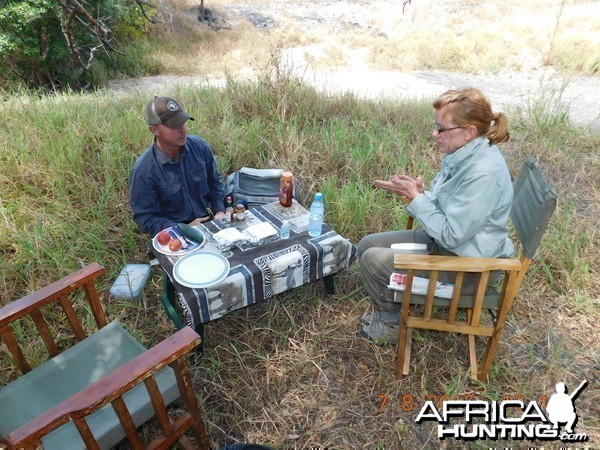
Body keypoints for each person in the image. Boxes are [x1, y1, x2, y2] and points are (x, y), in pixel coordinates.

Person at [358, 87, 515, 343]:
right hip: (453, 247)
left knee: (373, 261)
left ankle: (390, 324)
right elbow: (450, 207)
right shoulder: (464, 153)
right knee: (366, 245)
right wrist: (420, 194)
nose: (435, 134)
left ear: (469, 132)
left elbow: (452, 235)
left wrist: (418, 199)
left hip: (468, 269)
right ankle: (392, 309)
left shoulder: (483, 174)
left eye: (441, 129)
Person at [129, 96, 226, 236]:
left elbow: (214, 182)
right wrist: (182, 229)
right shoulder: (144, 171)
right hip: (175, 235)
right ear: (154, 130)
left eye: (183, 123)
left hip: (210, 223)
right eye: (175, 126)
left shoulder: (199, 147)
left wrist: (220, 211)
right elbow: (145, 218)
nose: (183, 130)